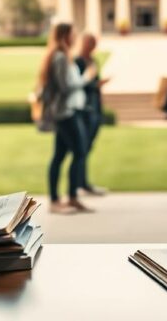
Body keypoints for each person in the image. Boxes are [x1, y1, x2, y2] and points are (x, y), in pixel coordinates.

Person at [39, 23, 95, 214]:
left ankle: (65, 198)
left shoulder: (63, 56)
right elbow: (65, 87)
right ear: (65, 36)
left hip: (68, 111)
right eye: (73, 34)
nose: (76, 37)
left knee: (60, 155)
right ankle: (65, 198)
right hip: (66, 113)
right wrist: (87, 77)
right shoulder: (61, 57)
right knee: (79, 152)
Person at [74, 33, 109, 196]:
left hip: (95, 107)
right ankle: (78, 184)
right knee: (81, 147)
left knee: (88, 147)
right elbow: (79, 85)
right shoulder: (78, 61)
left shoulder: (93, 61)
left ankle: (83, 182)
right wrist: (94, 85)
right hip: (85, 108)